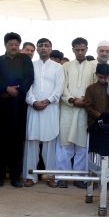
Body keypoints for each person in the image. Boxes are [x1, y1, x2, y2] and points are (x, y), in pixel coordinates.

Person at [0, 32, 34, 187]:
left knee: (17, 141)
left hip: (19, 105)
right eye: (11, 44)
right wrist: (6, 88)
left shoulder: (25, 59)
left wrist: (18, 90)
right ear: (5, 45)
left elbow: (30, 77)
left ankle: (15, 177)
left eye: (16, 44)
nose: (14, 46)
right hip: (2, 105)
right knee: (0, 141)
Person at [23, 38, 64, 187]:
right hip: (33, 108)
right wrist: (33, 102)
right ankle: (30, 176)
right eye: (40, 46)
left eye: (46, 46)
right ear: (37, 49)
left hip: (50, 108)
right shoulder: (31, 66)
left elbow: (59, 89)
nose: (43, 48)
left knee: (49, 143)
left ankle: (50, 176)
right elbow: (27, 87)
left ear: (51, 49)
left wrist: (46, 101)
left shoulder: (58, 67)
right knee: (32, 142)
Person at [57, 37, 96, 188]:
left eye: (83, 49)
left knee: (82, 146)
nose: (80, 52)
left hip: (84, 111)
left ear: (87, 49)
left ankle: (80, 178)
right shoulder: (65, 66)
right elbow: (62, 87)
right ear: (72, 49)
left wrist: (85, 101)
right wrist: (72, 100)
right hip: (68, 109)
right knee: (65, 145)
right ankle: (62, 177)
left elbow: (94, 87)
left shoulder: (93, 67)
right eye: (77, 49)